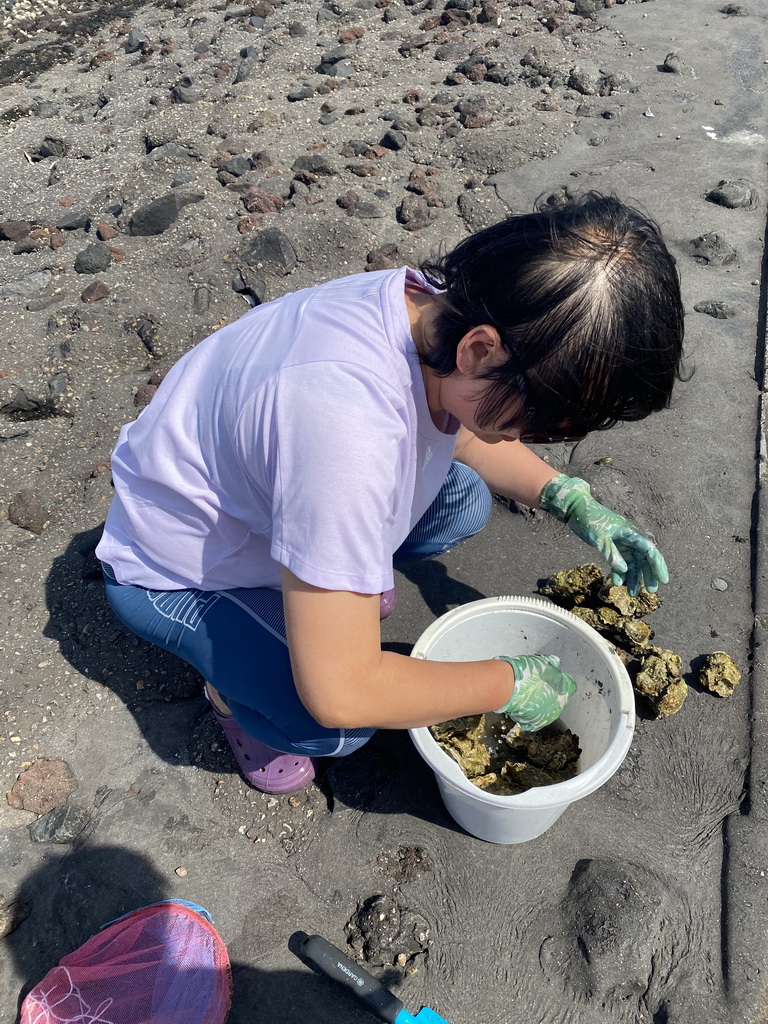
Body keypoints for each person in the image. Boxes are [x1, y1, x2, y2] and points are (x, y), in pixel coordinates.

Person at [96, 192, 685, 795]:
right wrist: (511, 683)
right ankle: (227, 692)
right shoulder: (343, 428)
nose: (544, 441)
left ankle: (327, 591)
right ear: (479, 349)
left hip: (269, 497)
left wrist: (566, 496)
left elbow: (466, 431)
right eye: (539, 424)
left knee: (463, 501)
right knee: (334, 729)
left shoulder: (433, 309)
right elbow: (341, 694)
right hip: (180, 567)